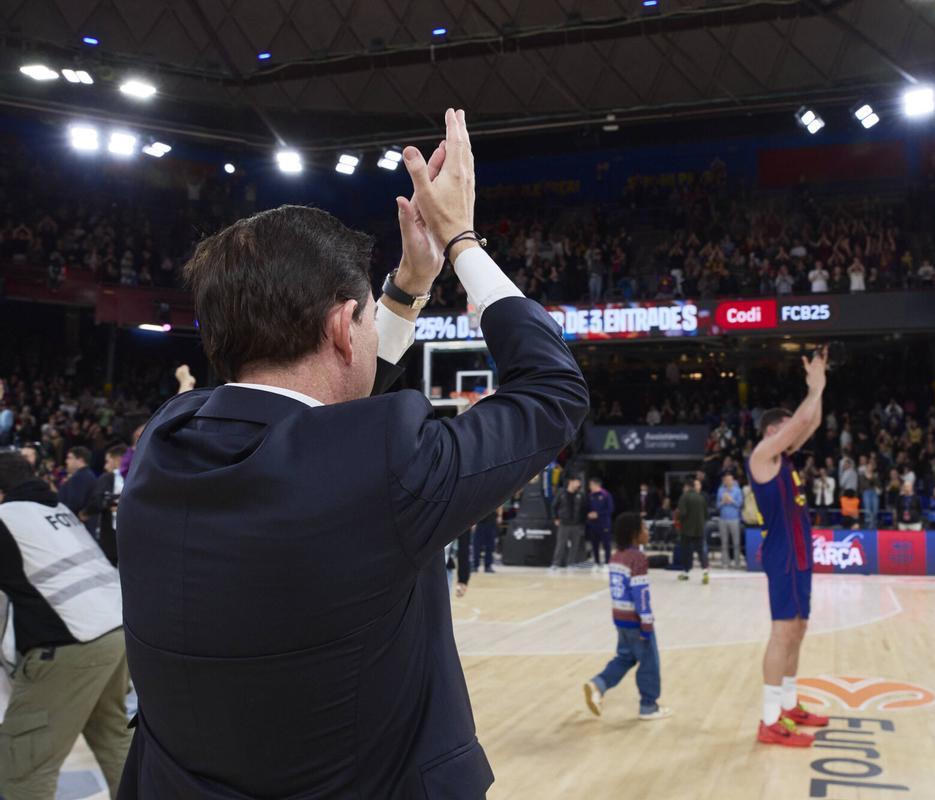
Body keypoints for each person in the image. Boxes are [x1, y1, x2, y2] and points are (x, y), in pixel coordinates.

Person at [115, 110, 589, 799]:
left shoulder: (166, 441)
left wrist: (404, 290)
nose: (372, 333)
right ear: (344, 327)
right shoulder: (387, 472)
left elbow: (328, 424)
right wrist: (462, 240)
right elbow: (554, 388)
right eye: (367, 319)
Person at [0, 451, 131, 800]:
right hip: (117, 633)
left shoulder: (6, 519)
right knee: (114, 740)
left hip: (71, 644)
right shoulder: (58, 511)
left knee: (25, 758)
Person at [746, 347, 831, 748]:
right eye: (786, 431)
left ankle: (790, 704)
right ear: (771, 432)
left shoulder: (787, 459)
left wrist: (821, 388)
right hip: (781, 553)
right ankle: (769, 720)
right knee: (782, 633)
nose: (794, 435)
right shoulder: (762, 457)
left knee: (798, 629)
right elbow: (801, 420)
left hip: (800, 553)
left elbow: (808, 423)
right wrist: (812, 389)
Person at [583, 513, 671, 721]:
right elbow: (640, 594)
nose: (647, 532)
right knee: (649, 661)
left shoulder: (616, 556)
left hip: (619, 617)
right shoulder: (637, 558)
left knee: (625, 657)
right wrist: (647, 623)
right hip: (635, 620)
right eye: (644, 528)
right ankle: (648, 706)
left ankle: (598, 684)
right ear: (635, 534)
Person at [84, 444, 127, 566]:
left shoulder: (109, 477)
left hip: (111, 540)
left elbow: (98, 501)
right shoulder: (141, 475)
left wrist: (84, 513)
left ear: (118, 459)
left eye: (107, 461)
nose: (105, 466)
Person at [676, 478, 710, 584]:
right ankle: (705, 572)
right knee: (701, 552)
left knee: (686, 552)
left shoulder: (684, 497)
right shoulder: (701, 498)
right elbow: (706, 515)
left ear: (686, 486)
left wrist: (679, 519)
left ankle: (686, 573)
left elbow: (682, 513)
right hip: (699, 529)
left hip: (686, 530)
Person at [552, 475, 588, 570]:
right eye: (577, 482)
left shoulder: (580, 495)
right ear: (571, 482)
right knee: (561, 544)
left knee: (575, 545)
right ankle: (556, 564)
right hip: (564, 523)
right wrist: (556, 518)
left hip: (576, 524)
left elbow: (584, 510)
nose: (579, 484)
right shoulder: (561, 493)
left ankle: (570, 564)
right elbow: (554, 506)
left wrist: (582, 523)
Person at [58, 445, 96, 519]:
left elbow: (74, 505)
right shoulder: (87, 475)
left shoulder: (80, 477)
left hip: (73, 523)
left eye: (69, 458)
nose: (66, 461)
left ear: (80, 460)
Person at [715, 472, 744, 567]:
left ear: (733, 480)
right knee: (724, 542)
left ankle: (737, 562)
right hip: (723, 519)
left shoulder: (737, 490)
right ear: (724, 481)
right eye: (726, 480)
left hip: (734, 519)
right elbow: (717, 506)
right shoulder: (720, 490)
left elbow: (740, 505)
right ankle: (725, 562)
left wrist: (731, 500)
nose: (728, 481)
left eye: (730, 480)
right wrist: (723, 501)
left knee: (736, 542)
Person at [586, 476, 615, 568]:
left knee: (606, 544)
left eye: (591, 485)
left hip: (604, 523)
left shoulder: (606, 494)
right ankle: (596, 562)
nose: (590, 486)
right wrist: (588, 514)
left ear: (596, 484)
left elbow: (610, 509)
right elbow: (586, 508)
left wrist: (598, 514)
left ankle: (607, 562)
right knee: (594, 544)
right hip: (593, 524)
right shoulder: (590, 495)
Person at [472, 507, 502, 573]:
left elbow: (500, 504)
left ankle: (488, 566)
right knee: (476, 545)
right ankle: (475, 565)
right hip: (479, 521)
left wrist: (500, 515)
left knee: (490, 545)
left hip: (491, 520)